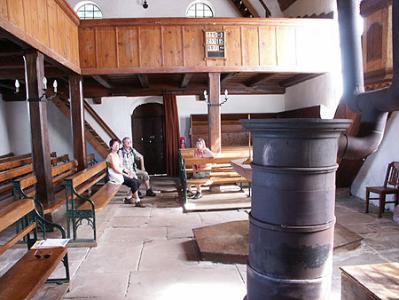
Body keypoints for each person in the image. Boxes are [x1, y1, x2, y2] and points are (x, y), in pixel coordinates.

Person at [107, 138, 143, 207]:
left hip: (119, 174)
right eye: (115, 145)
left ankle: (128, 197)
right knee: (133, 182)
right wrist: (126, 175)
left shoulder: (116, 154)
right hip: (115, 176)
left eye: (118, 145)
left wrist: (129, 172)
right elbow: (115, 169)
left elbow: (121, 166)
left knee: (138, 181)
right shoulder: (110, 156)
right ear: (111, 146)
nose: (117, 147)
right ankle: (137, 200)